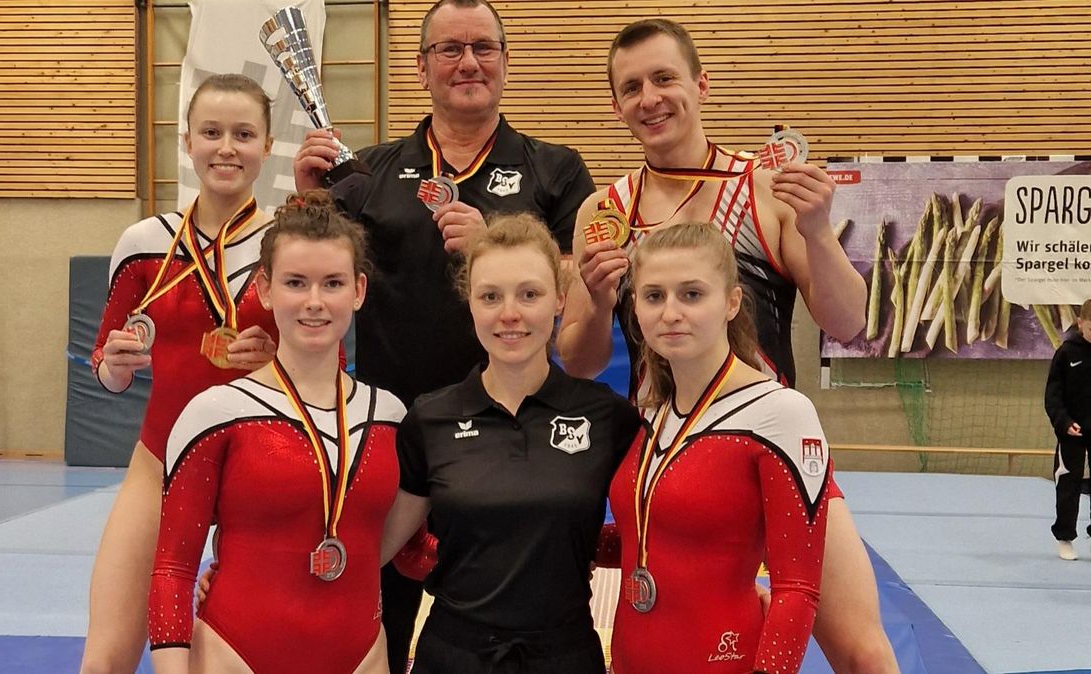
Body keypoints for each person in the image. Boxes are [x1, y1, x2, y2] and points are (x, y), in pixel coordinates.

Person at [555, 19, 899, 674]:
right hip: (675, 463)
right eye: (631, 87)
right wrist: (597, 301)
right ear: (616, 105)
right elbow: (580, 359)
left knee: (860, 650)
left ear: (701, 84)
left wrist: (817, 230)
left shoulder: (764, 189)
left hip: (772, 450)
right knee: (681, 643)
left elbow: (849, 320)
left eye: (664, 78)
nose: (650, 98)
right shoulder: (604, 212)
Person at [293, 1, 596, 669]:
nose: (468, 63)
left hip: (510, 440)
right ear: (422, 66)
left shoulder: (555, 169)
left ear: (505, 62)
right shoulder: (367, 173)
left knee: (509, 626)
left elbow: (581, 282)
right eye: (450, 49)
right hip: (392, 437)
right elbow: (313, 277)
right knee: (377, 623)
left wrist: (496, 244)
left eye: (483, 47)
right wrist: (309, 198)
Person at [149, 191, 404, 674]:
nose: (314, 302)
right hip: (234, 657)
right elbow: (172, 571)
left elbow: (412, 554)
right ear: (265, 289)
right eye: (295, 282)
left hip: (362, 658)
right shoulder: (214, 413)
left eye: (333, 283)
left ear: (359, 291)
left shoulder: (390, 417)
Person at [379, 213, 641, 673]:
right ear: (470, 303)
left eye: (529, 294)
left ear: (560, 299)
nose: (509, 314)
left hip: (566, 657)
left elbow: (663, 529)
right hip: (454, 658)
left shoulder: (606, 417)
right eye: (490, 296)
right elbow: (377, 547)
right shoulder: (431, 418)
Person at [81, 74, 280, 674]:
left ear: (268, 146)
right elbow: (105, 366)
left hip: (263, 471)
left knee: (253, 654)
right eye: (211, 132)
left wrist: (276, 362)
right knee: (105, 656)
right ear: (186, 141)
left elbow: (330, 371)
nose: (227, 148)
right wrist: (115, 365)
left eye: (243, 134)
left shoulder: (288, 243)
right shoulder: (144, 243)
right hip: (161, 462)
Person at [608, 221, 829, 674]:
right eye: (654, 296)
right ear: (636, 307)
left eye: (691, 294)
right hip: (630, 659)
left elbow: (797, 589)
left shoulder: (780, 413)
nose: (671, 312)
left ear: (731, 302)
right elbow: (647, 538)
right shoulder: (651, 415)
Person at [1044, 299, 1091, 561]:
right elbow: (1052, 396)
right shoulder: (1066, 353)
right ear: (1081, 323)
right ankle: (1065, 537)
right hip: (1072, 431)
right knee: (1068, 484)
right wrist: (1063, 422)